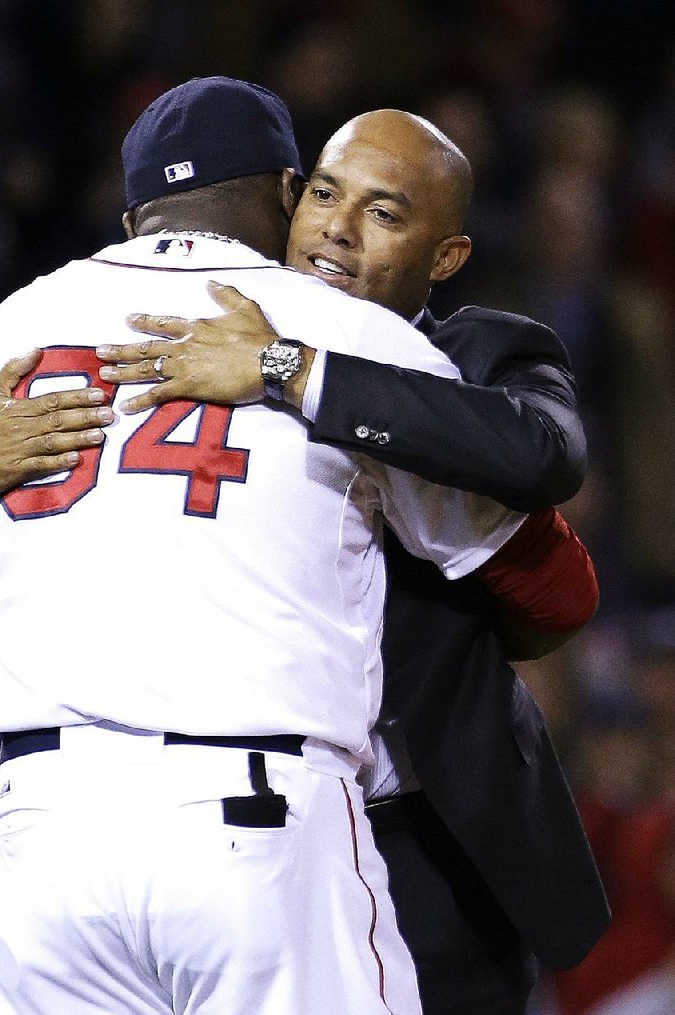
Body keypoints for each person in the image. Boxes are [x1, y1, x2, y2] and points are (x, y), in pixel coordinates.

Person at [0, 77, 568, 1015]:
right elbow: (539, 571)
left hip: (42, 831)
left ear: (134, 212)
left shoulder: (17, 323)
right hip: (253, 816)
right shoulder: (342, 332)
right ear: (285, 193)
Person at [73, 109, 615, 1013]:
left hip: (424, 835)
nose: (337, 226)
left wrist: (290, 368)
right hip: (228, 822)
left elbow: (544, 455)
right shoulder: (197, 337)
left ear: (445, 257)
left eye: (385, 213)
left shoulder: (476, 350)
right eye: (324, 192)